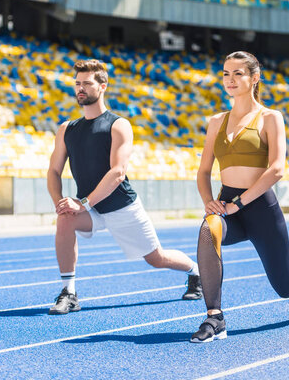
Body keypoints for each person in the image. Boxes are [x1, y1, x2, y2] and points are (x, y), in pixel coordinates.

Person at [47, 59, 202, 314]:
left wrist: (83, 203)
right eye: (77, 84)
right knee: (65, 218)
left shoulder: (118, 125)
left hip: (121, 207)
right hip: (90, 208)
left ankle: (195, 272)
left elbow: (117, 173)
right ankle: (69, 293)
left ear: (103, 86)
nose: (80, 89)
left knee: (156, 258)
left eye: (87, 83)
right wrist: (60, 202)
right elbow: (53, 171)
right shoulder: (67, 129)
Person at [190, 51, 289, 343]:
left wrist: (238, 203)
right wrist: (209, 202)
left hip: (260, 208)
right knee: (207, 229)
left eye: (238, 73)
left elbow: (276, 169)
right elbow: (203, 172)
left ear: (254, 78)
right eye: (226, 73)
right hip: (227, 206)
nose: (231, 79)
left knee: (284, 285)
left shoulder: (270, 118)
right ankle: (215, 318)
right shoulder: (216, 122)